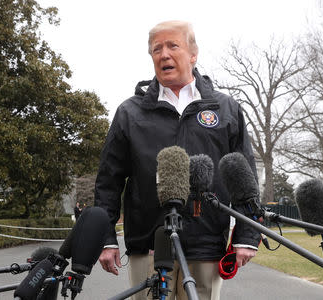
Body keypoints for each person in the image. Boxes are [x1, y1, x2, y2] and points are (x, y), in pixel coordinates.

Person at [95, 20, 261, 300]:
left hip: (207, 244)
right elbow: (108, 181)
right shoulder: (130, 112)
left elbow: (243, 176)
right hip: (148, 242)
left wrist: (247, 235)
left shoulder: (226, 109)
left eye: (173, 45)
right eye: (156, 49)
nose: (164, 54)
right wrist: (105, 238)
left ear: (193, 54)